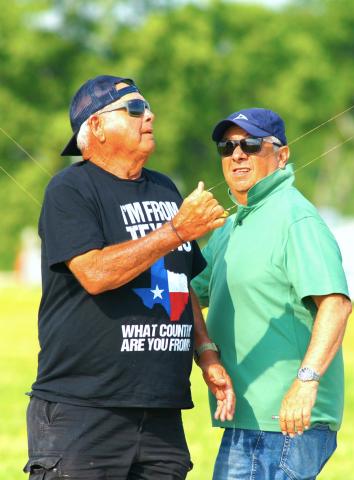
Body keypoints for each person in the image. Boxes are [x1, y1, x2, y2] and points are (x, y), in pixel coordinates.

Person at [24, 75, 235, 480]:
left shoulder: (165, 188)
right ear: (97, 127)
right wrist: (175, 231)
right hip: (83, 410)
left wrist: (206, 355)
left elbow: (182, 282)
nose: (149, 115)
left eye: (148, 107)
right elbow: (95, 273)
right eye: (135, 109)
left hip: (161, 413)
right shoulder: (70, 189)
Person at [191, 108, 352, 479]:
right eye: (227, 146)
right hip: (243, 419)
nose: (237, 154)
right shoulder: (232, 226)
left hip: (285, 422)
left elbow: (336, 305)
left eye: (250, 144)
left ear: (281, 155)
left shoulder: (296, 218)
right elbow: (187, 292)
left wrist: (306, 381)